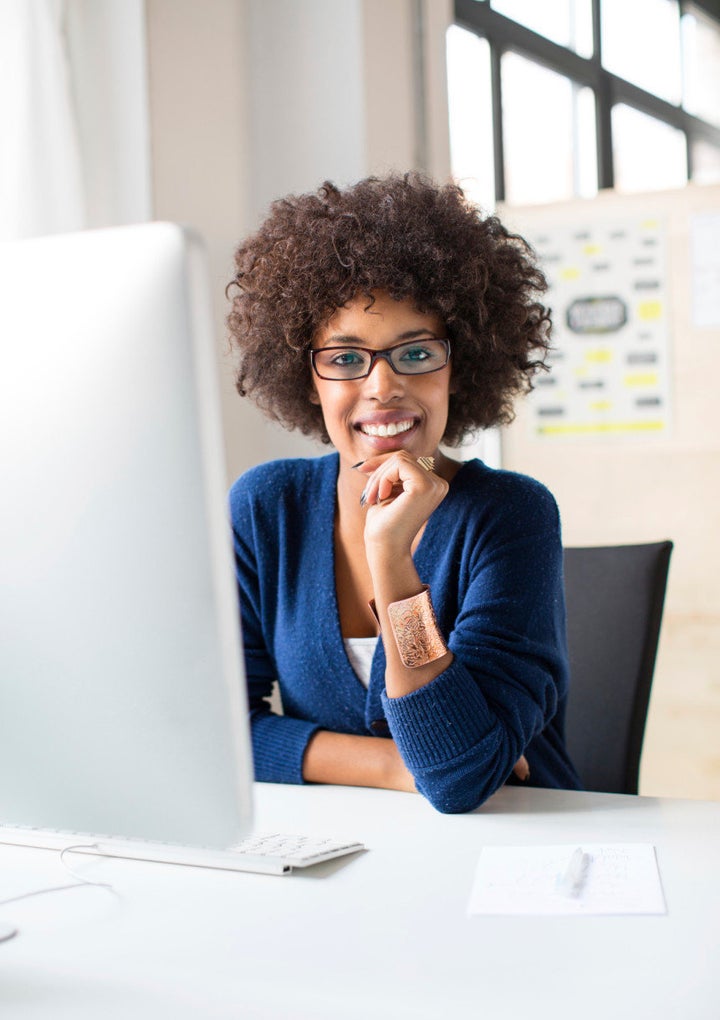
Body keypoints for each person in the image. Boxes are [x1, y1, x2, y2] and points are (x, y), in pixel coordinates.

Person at [227, 172, 581, 814]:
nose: (383, 386)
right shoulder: (266, 508)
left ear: (460, 366)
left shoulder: (510, 515)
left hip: (522, 849)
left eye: (416, 354)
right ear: (309, 380)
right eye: (345, 358)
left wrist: (391, 563)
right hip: (352, 852)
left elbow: (457, 778)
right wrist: (393, 765)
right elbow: (220, 734)